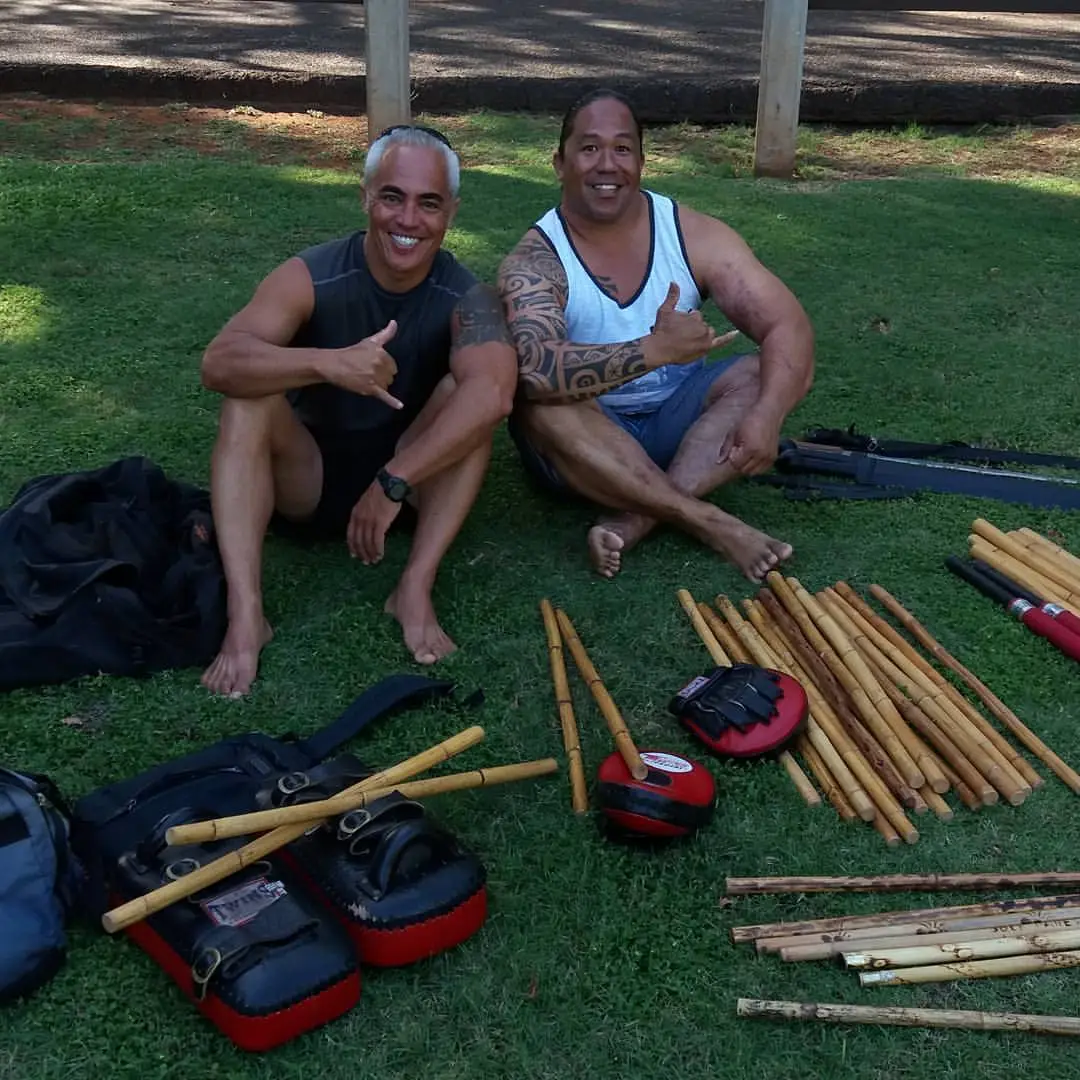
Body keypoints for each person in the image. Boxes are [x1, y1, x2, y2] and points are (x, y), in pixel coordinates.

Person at [199, 124, 517, 697]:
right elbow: (219, 362)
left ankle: (414, 585)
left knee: (466, 398)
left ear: (452, 213)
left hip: (408, 485)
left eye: (429, 203)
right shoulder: (313, 274)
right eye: (392, 197)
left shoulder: (468, 295)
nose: (407, 220)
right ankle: (247, 614)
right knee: (248, 399)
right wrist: (328, 363)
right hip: (308, 479)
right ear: (365, 197)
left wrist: (394, 481)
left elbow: (495, 394)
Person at [497, 89, 814, 582]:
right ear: (560, 164)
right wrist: (655, 350)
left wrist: (769, 414)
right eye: (589, 148)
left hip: (677, 427)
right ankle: (707, 520)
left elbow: (786, 325)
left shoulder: (691, 234)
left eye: (623, 149)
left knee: (758, 374)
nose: (608, 164)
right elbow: (537, 372)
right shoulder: (536, 259)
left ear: (643, 161)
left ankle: (637, 519)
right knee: (536, 402)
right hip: (587, 446)